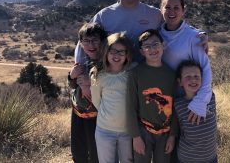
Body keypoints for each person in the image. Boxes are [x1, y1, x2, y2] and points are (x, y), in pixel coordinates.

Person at [74, 0, 208, 64]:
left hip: (144, 76)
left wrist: (198, 33)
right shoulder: (104, 15)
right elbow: (84, 41)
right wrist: (79, 68)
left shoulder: (153, 14)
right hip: (114, 75)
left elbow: (174, 21)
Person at [159, 0, 212, 122]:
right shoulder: (157, 35)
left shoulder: (193, 37)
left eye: (176, 8)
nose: (172, 11)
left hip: (190, 99)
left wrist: (200, 101)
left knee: (196, 138)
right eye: (167, 7)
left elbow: (205, 68)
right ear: (161, 10)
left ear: (183, 11)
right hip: (167, 97)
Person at [127, 29, 177, 163]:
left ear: (163, 45)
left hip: (165, 133)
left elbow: (175, 108)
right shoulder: (135, 74)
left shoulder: (171, 75)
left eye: (155, 44)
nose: (152, 49)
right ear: (142, 52)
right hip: (143, 131)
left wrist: (172, 136)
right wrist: (135, 137)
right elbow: (130, 107)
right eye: (147, 46)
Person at [90, 32, 134, 163]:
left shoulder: (132, 73)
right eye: (113, 51)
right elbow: (96, 101)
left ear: (127, 54)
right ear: (106, 52)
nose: (116, 55)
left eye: (121, 52)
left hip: (128, 131)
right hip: (105, 130)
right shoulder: (99, 75)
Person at [68, 22, 107, 163]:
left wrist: (90, 85)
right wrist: (71, 76)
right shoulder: (81, 61)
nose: (91, 45)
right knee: (78, 152)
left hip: (97, 118)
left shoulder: (107, 64)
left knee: (96, 154)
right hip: (78, 113)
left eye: (95, 40)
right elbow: (72, 86)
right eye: (86, 41)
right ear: (81, 44)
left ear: (103, 42)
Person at [174, 60, 217, 163]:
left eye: (196, 76)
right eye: (188, 77)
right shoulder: (178, 104)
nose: (193, 80)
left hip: (211, 157)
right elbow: (176, 128)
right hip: (188, 158)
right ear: (179, 82)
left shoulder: (210, 97)